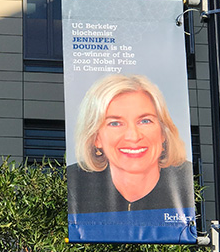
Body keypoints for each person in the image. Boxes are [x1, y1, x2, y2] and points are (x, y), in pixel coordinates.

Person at [67, 74, 193, 214]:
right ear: (96, 138)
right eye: (115, 123)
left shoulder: (186, 182)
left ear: (163, 132)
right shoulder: (74, 185)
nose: (133, 136)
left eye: (145, 121)